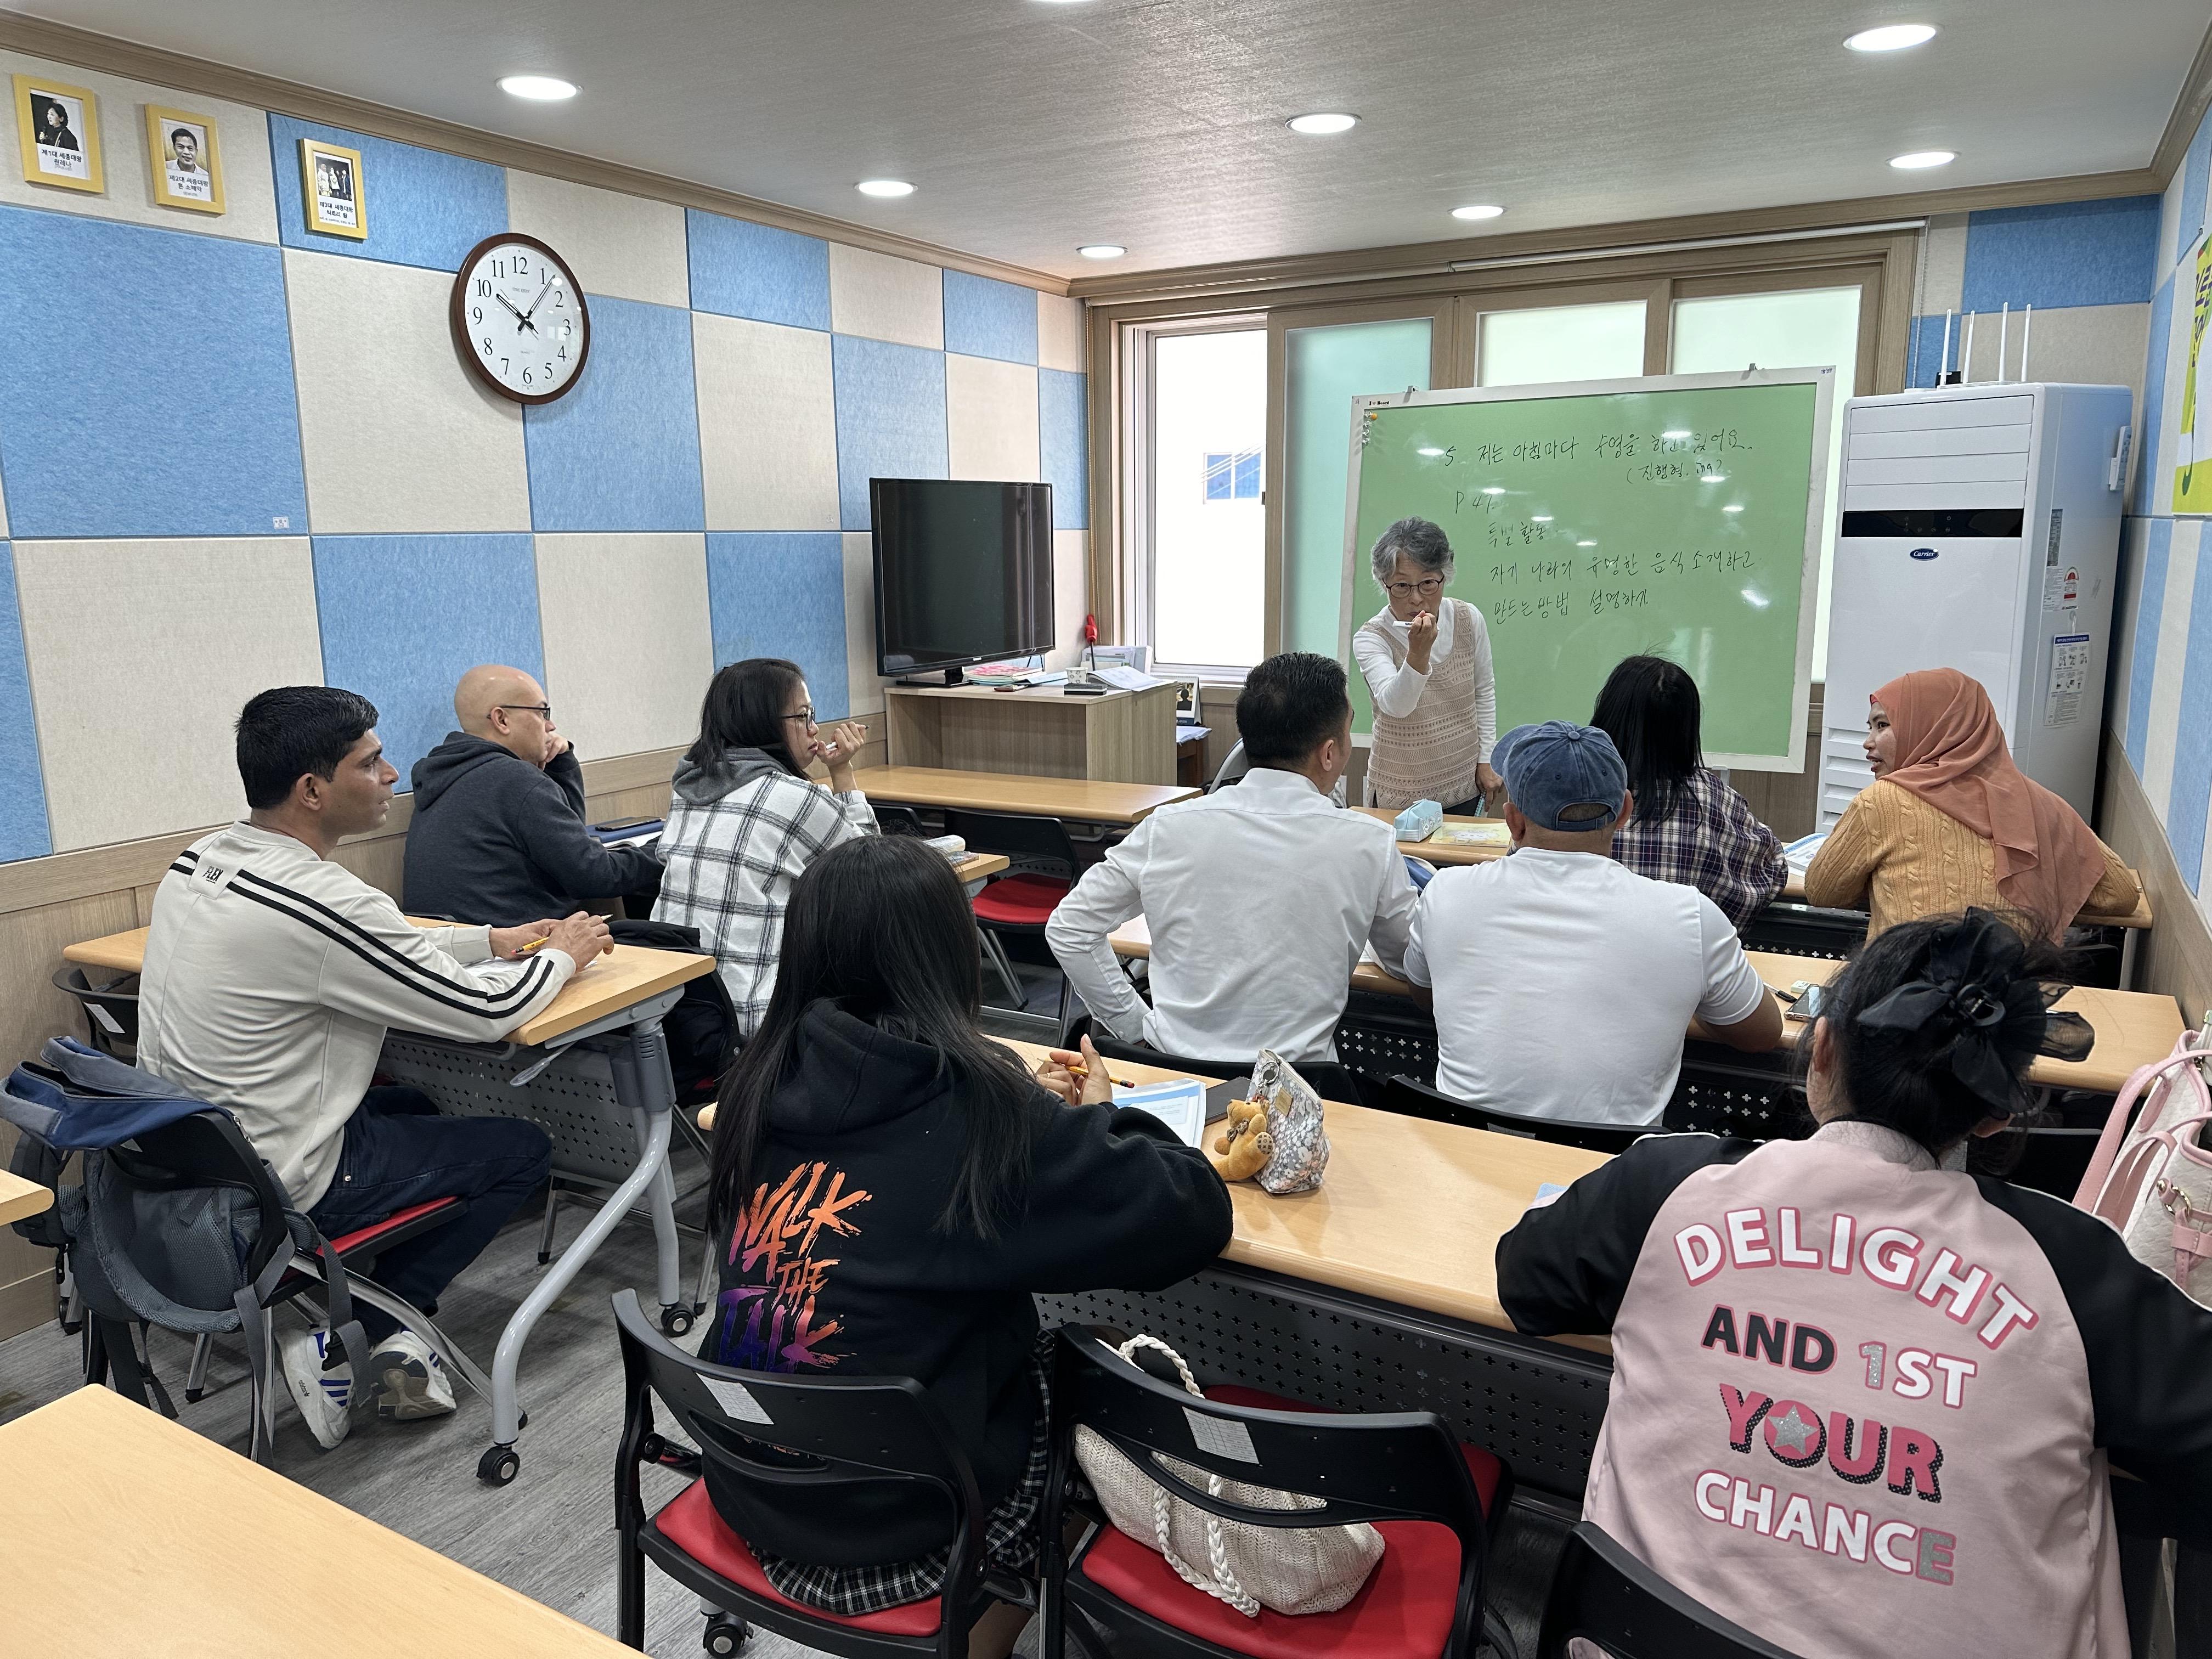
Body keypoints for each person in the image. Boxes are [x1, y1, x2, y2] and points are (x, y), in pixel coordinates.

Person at [1495, 908, 2212, 1655]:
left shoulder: (1666, 1187)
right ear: (1996, 1117)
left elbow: (1527, 1286)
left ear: (1823, 1049)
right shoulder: (2072, 1271)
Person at [702, 835, 1231, 1631]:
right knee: (1102, 1361)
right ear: (950, 956)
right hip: (903, 1523)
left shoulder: (756, 1083)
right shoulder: (980, 1119)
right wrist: (1095, 1115)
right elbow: (1192, 1211)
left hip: (755, 1478)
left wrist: (1017, 1102)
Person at [136, 687, 613, 1448]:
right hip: (280, 1187)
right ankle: (368, 1325)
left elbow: (370, 944)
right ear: (313, 790)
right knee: (522, 1150)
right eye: (371, 762)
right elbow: (488, 1013)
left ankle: (357, 1316)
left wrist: (491, 940)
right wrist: (564, 955)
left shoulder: (204, 860)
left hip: (194, 1166)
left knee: (416, 1107)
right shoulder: (317, 896)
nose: (392, 775)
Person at [1047, 651, 1419, 1066]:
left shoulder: (1166, 827)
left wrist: (1135, 1027)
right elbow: (1409, 961)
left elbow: (1070, 927)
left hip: (1174, 1075)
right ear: (1329, 753)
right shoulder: (1369, 842)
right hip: (1298, 1086)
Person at [1405, 720, 1782, 1123]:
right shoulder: (1691, 916)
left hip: (1461, 1149)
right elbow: (1761, 1035)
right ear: (1624, 811)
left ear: (1513, 821)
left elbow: (1425, 993)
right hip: (1612, 1162)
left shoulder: (1444, 892)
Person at [1805, 668, 2141, 940]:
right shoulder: (2040, 802)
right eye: (1871, 728)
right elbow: (2121, 894)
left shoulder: (1882, 801)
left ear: (1929, 727)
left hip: (1904, 992)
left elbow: (1823, 891)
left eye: (1883, 725)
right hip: (2010, 996)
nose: (1868, 742)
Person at [653, 658, 876, 1037]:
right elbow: (873, 866)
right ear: (763, 723)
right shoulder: (792, 797)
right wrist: (842, 771)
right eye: (803, 716)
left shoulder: (688, 789)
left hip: (674, 1010)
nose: (815, 729)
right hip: (759, 1017)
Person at [405, 664, 663, 927]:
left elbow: (568, 851)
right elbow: (597, 877)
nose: (551, 725)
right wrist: (670, 847)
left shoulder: (446, 773)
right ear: (502, 720)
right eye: (542, 712)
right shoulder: (515, 780)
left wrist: (561, 764)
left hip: (450, 943)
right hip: (518, 945)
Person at [1592, 654, 1786, 929]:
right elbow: (1770, 870)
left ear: (1608, 714)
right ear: (1687, 726)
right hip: (1685, 952)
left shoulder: (1574, 791)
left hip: (1582, 951)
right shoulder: (1713, 798)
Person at [1352, 517, 1499, 812]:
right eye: (1401, 586)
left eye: (1428, 583)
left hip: (1462, 781)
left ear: (1445, 577)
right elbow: (1396, 706)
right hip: (1401, 791)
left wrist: (1486, 759)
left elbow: (1483, 691)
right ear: (1384, 583)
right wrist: (1418, 653)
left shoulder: (1468, 618)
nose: (1417, 598)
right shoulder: (1371, 638)